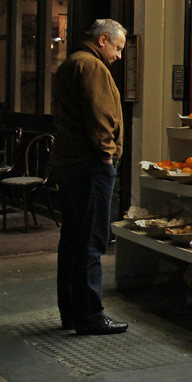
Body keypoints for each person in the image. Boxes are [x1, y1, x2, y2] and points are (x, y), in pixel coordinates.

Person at [51, 19, 128, 336]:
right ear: (103, 40)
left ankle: (71, 312)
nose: (119, 56)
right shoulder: (92, 67)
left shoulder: (71, 63)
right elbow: (100, 117)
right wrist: (107, 155)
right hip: (90, 164)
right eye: (118, 47)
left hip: (70, 163)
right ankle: (90, 316)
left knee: (72, 238)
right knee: (92, 242)